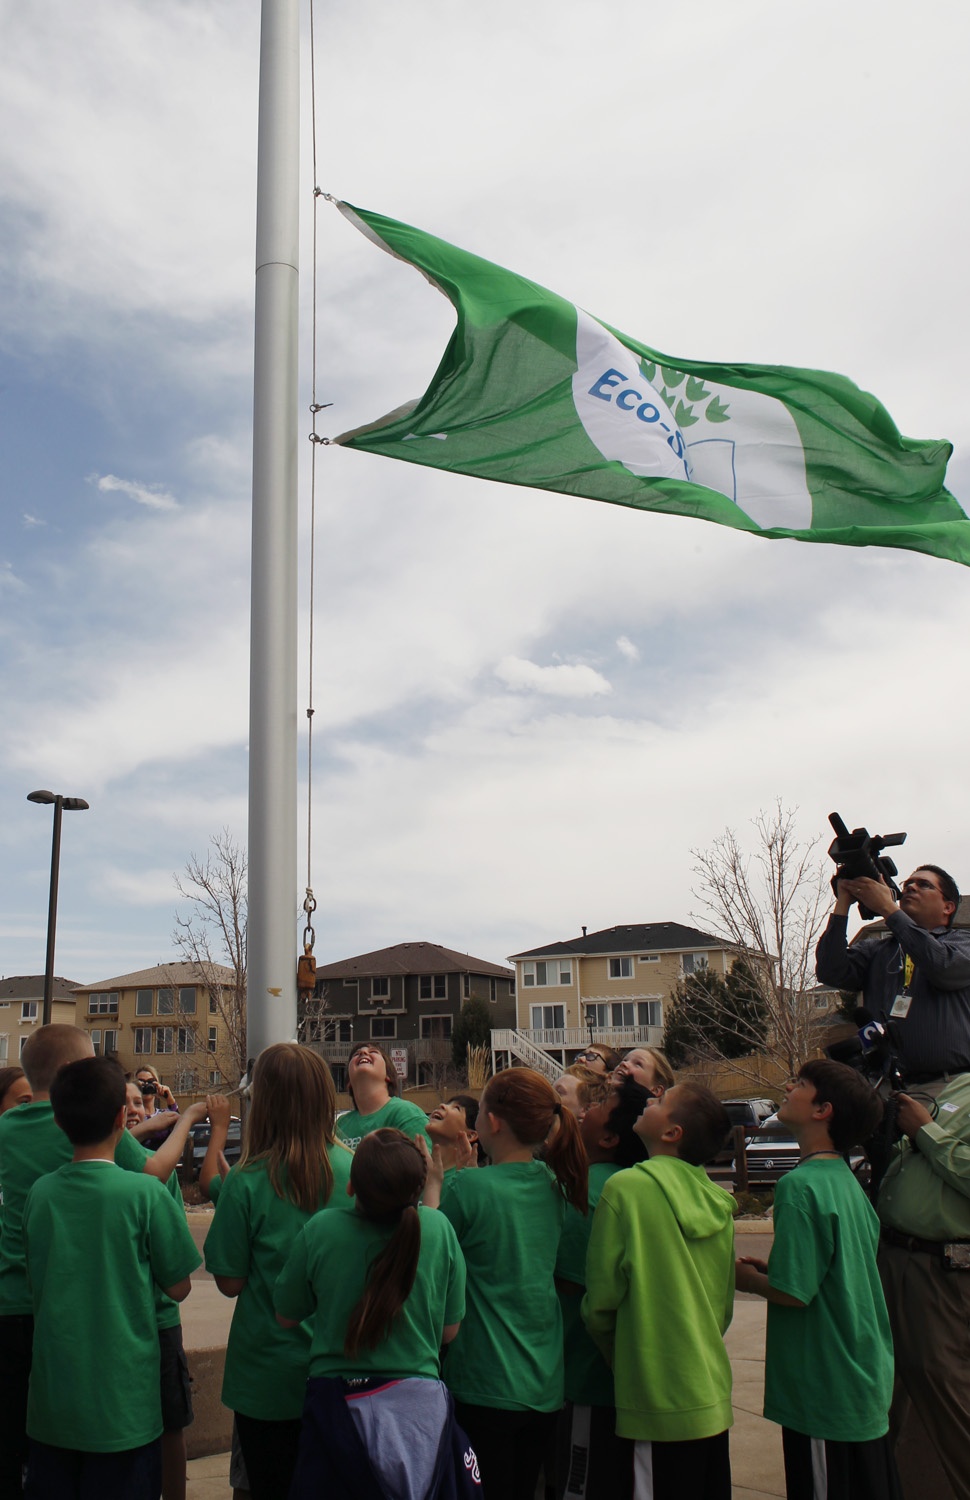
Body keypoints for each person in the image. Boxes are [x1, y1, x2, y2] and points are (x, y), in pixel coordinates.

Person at [0, 1024, 206, 1500]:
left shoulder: (30, 1169)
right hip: (120, 1387)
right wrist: (185, 1118)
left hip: (23, 1312)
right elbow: (154, 1174)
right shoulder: (141, 1193)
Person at [275, 1129, 471, 1500]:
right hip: (420, 1415)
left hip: (338, 1407)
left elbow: (285, 1315)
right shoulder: (438, 1228)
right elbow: (449, 1331)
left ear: (351, 1187)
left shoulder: (321, 1229)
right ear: (416, 1186)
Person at [735, 1061, 899, 1500]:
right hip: (861, 1376)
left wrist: (747, 1280)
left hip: (825, 1387)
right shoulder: (847, 1182)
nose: (788, 1087)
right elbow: (835, 1272)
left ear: (823, 1109)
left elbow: (793, 1293)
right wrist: (776, 1269)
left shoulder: (800, 1186)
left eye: (800, 1084)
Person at [204, 1043, 354, 1500]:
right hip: (342, 1372)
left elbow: (229, 1282)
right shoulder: (356, 1171)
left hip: (265, 1381)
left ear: (264, 1103)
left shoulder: (247, 1181)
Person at [436, 1067, 587, 1500]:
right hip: (542, 1385)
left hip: (484, 1382)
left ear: (493, 1122)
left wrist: (443, 1173)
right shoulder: (554, 1186)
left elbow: (428, 1249)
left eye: (479, 1108)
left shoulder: (466, 1189)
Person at [583, 1082, 735, 1500]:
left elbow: (600, 1303)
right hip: (711, 1392)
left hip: (653, 1397)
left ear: (672, 1133)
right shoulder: (717, 1199)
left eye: (661, 1101)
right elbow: (723, 1305)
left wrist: (622, 1357)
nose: (650, 1098)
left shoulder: (626, 1189)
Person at [875, 1071, 970, 1497]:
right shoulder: (959, 1084)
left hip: (940, 1271)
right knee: (877, 1396)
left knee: (947, 1396)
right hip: (893, 1256)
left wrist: (926, 1133)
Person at [555, 1076, 650, 1500]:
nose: (585, 1110)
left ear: (609, 1137)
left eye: (599, 1105)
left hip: (585, 1378)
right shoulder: (631, 1185)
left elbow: (571, 1284)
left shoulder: (589, 1192)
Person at [815, 864, 970, 1082]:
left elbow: (941, 966)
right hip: (888, 1085)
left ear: (948, 907)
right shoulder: (877, 950)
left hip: (949, 1085)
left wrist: (888, 908)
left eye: (923, 885)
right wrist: (844, 902)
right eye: (907, 884)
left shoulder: (961, 944)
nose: (911, 888)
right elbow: (830, 971)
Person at [335, 1043, 433, 1150]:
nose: (363, 1053)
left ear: (388, 1075)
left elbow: (422, 1163)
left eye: (373, 1052)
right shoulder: (340, 1125)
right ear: (349, 1081)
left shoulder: (406, 1113)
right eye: (356, 1054)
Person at [426, 1094, 481, 1170]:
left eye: (456, 1108)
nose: (442, 1105)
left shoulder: (464, 1179)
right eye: (447, 1104)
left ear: (470, 1135)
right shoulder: (417, 1170)